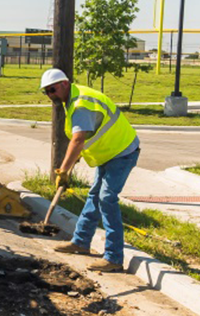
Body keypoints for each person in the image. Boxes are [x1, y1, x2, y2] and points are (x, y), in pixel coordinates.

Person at [41, 68, 140, 273]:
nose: (51, 95)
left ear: (64, 84)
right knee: (94, 195)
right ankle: (81, 242)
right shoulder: (74, 98)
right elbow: (85, 136)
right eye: (46, 92)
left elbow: (78, 140)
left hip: (122, 152)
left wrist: (63, 171)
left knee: (106, 198)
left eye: (52, 90)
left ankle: (113, 257)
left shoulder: (80, 104)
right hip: (108, 152)